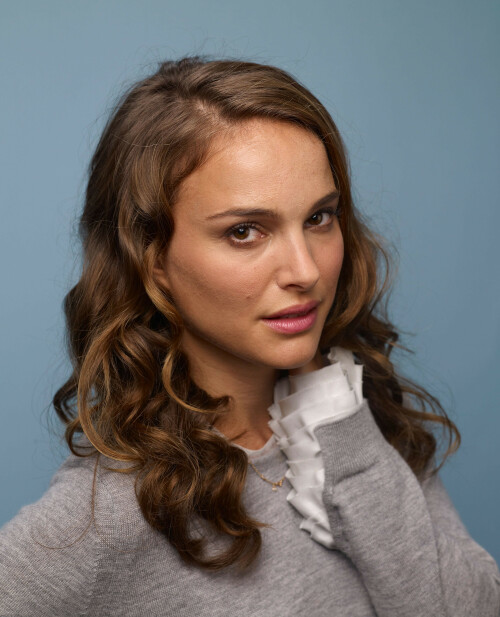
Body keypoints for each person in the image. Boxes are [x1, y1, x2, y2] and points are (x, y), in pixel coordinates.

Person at [0, 56, 499, 617]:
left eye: (319, 218)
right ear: (150, 256)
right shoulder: (107, 513)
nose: (305, 271)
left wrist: (345, 435)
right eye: (244, 231)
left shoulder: (360, 420)